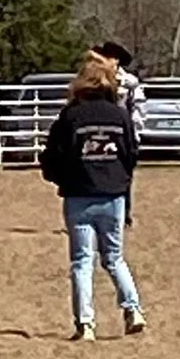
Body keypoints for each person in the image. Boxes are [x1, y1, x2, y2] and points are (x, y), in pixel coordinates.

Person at [40, 53, 146, 342]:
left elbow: (53, 156)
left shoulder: (70, 115)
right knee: (114, 258)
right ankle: (133, 309)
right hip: (113, 195)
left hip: (79, 195)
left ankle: (85, 323)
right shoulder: (120, 115)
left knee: (82, 261)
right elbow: (131, 155)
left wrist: (60, 179)